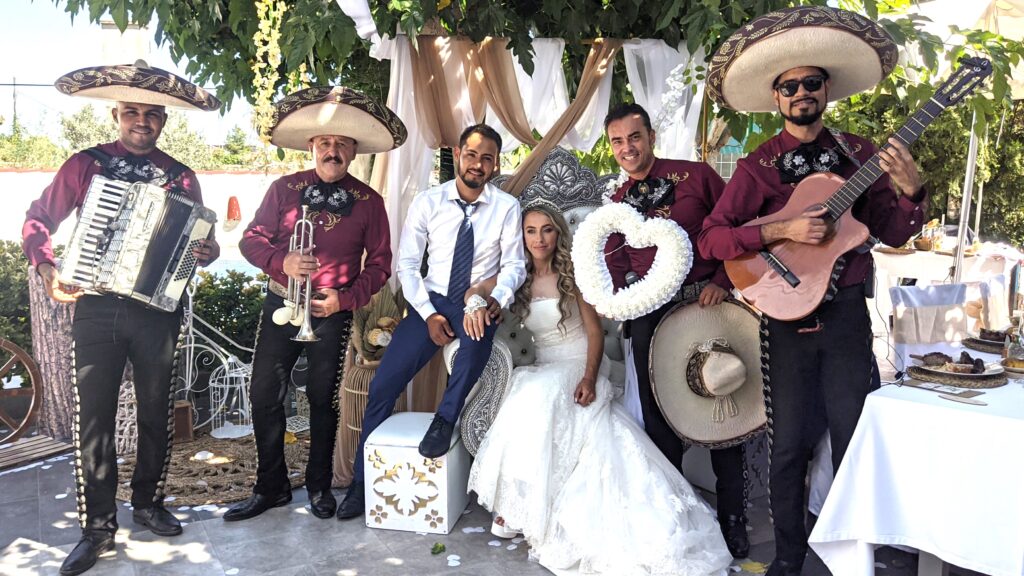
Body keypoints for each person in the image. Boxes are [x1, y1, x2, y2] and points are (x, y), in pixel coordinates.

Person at [699, 7, 927, 574]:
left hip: (847, 314)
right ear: (776, 97)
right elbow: (713, 239)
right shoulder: (757, 166)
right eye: (790, 86)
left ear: (826, 90)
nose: (801, 92)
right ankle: (789, 558)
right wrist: (781, 230)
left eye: (811, 82)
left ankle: (859, 554)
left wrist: (912, 193)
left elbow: (894, 230)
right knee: (788, 448)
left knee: (855, 440)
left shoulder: (862, 154)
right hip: (785, 320)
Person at [22, 61, 221, 576]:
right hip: (97, 306)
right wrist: (47, 268)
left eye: (151, 114)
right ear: (116, 115)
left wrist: (206, 251)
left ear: (163, 121)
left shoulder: (180, 175)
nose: (141, 121)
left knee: (157, 412)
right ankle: (97, 528)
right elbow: (38, 219)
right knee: (95, 419)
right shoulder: (85, 164)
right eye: (131, 111)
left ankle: (149, 503)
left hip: (157, 310)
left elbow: (201, 240)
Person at [467, 202, 732, 575]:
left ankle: (526, 510)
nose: (539, 238)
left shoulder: (574, 274)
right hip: (545, 365)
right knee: (526, 392)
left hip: (579, 361)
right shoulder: (516, 275)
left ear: (558, 233)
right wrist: (475, 306)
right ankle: (522, 506)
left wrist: (589, 378)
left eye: (547, 229)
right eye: (531, 230)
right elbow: (476, 289)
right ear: (521, 236)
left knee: (538, 393)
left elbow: (594, 334)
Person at [225, 86, 404, 522]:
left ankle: (320, 486)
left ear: (353, 151)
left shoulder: (370, 202)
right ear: (312, 146)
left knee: (323, 399)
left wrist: (346, 298)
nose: (333, 150)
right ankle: (270, 487)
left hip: (331, 311)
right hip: (282, 302)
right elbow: (251, 240)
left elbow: (380, 264)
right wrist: (281, 261)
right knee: (264, 393)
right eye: (325, 142)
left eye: (342, 143)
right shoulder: (283, 189)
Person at [336, 124, 527, 520]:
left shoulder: (507, 207)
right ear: (457, 154)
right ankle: (359, 484)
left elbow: (514, 265)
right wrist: (429, 314)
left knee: (475, 345)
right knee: (384, 383)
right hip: (433, 299)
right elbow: (407, 265)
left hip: (475, 300)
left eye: (487, 158)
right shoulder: (429, 202)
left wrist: (494, 298)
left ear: (495, 165)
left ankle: (445, 419)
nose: (477, 164)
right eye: (471, 155)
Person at [602, 102, 751, 558]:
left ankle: (733, 518)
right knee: (660, 416)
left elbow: (734, 229)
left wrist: (723, 281)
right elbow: (614, 262)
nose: (628, 148)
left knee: (723, 405)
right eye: (617, 141)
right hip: (651, 313)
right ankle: (678, 518)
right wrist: (627, 298)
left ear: (651, 136)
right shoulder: (616, 202)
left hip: (708, 301)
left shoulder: (697, 176)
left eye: (635, 137)